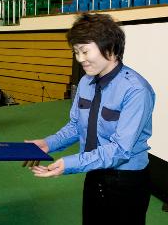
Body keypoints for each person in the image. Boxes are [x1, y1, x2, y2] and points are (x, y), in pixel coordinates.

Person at [25, 13, 155, 225]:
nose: (79, 59)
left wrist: (70, 163)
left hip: (126, 180)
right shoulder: (86, 82)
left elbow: (120, 150)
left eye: (84, 51)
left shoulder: (136, 90)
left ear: (110, 48)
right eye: (76, 52)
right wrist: (48, 144)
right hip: (94, 172)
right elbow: (76, 126)